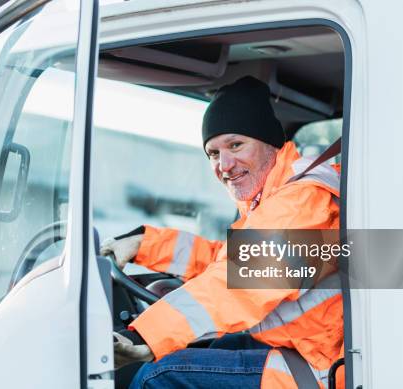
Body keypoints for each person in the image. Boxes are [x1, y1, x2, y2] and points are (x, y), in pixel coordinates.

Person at [102, 76, 343, 388]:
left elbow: (237, 284)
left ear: (269, 142)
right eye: (213, 153)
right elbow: (229, 263)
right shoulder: (272, 197)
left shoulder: (301, 200)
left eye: (235, 145)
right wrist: (145, 244)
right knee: (208, 348)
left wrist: (145, 335)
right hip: (300, 347)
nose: (225, 164)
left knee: (157, 377)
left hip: (321, 365)